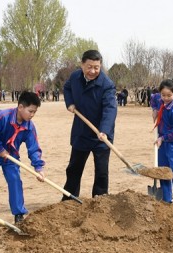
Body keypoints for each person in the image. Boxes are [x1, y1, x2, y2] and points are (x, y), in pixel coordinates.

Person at [0, 91, 45, 226]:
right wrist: (0, 150)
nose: (32, 115)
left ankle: (19, 213)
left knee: (15, 181)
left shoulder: (29, 126)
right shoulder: (3, 116)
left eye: (34, 112)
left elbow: (33, 147)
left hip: (11, 156)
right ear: (20, 107)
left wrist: (38, 167)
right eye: (30, 111)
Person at [62, 49, 117, 200]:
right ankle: (69, 198)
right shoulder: (75, 77)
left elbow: (110, 109)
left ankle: (100, 200)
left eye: (96, 67)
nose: (93, 71)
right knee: (74, 168)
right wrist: (70, 103)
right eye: (89, 67)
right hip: (81, 132)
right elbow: (67, 88)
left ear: (100, 66)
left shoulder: (107, 85)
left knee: (101, 171)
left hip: (101, 135)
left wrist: (104, 130)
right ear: (82, 65)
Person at [153, 79, 173, 205]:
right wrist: (155, 110)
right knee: (163, 171)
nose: (165, 98)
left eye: (169, 95)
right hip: (162, 143)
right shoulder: (159, 99)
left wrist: (163, 138)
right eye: (163, 95)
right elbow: (153, 98)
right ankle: (166, 200)